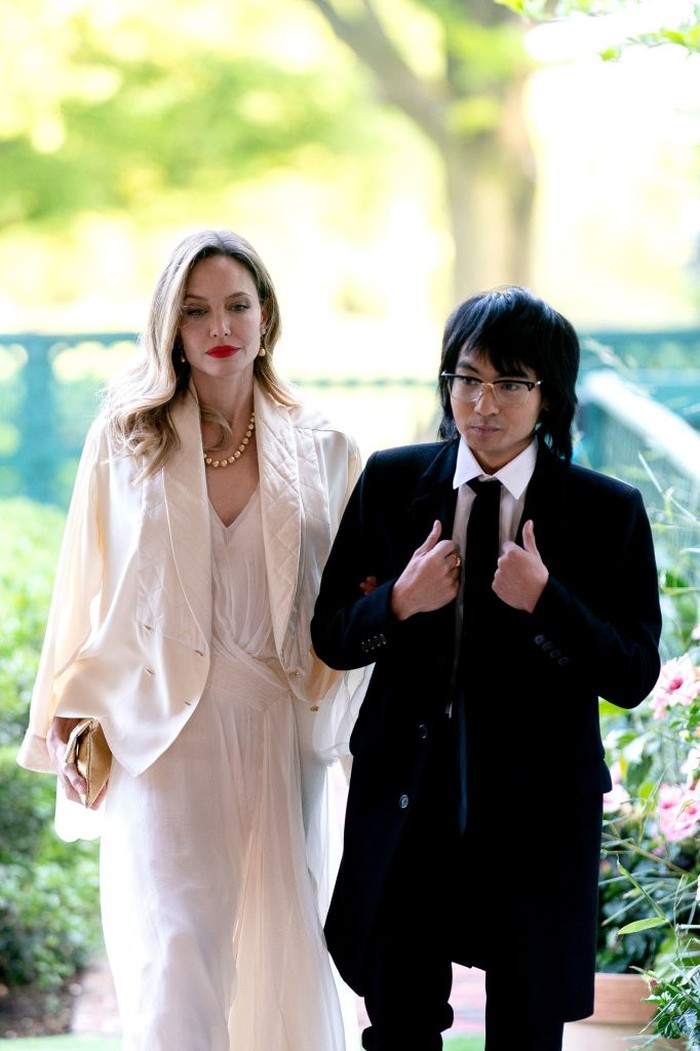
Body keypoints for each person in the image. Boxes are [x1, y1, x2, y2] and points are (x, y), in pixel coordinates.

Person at [18, 227, 368, 1051]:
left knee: (281, 948)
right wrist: (64, 713)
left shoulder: (329, 445)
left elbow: (357, 603)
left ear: (266, 315)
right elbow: (82, 578)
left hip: (281, 725)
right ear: (170, 325)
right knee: (177, 950)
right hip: (161, 729)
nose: (220, 326)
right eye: (197, 309)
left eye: (237, 305)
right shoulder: (126, 436)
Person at [310, 285, 662, 1051]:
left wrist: (548, 601)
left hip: (536, 811)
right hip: (409, 796)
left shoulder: (608, 511)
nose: (483, 403)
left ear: (549, 394)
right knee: (398, 1025)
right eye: (467, 378)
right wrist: (397, 601)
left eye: (510, 383)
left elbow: (633, 673)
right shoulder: (391, 482)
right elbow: (331, 636)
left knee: (526, 1032)